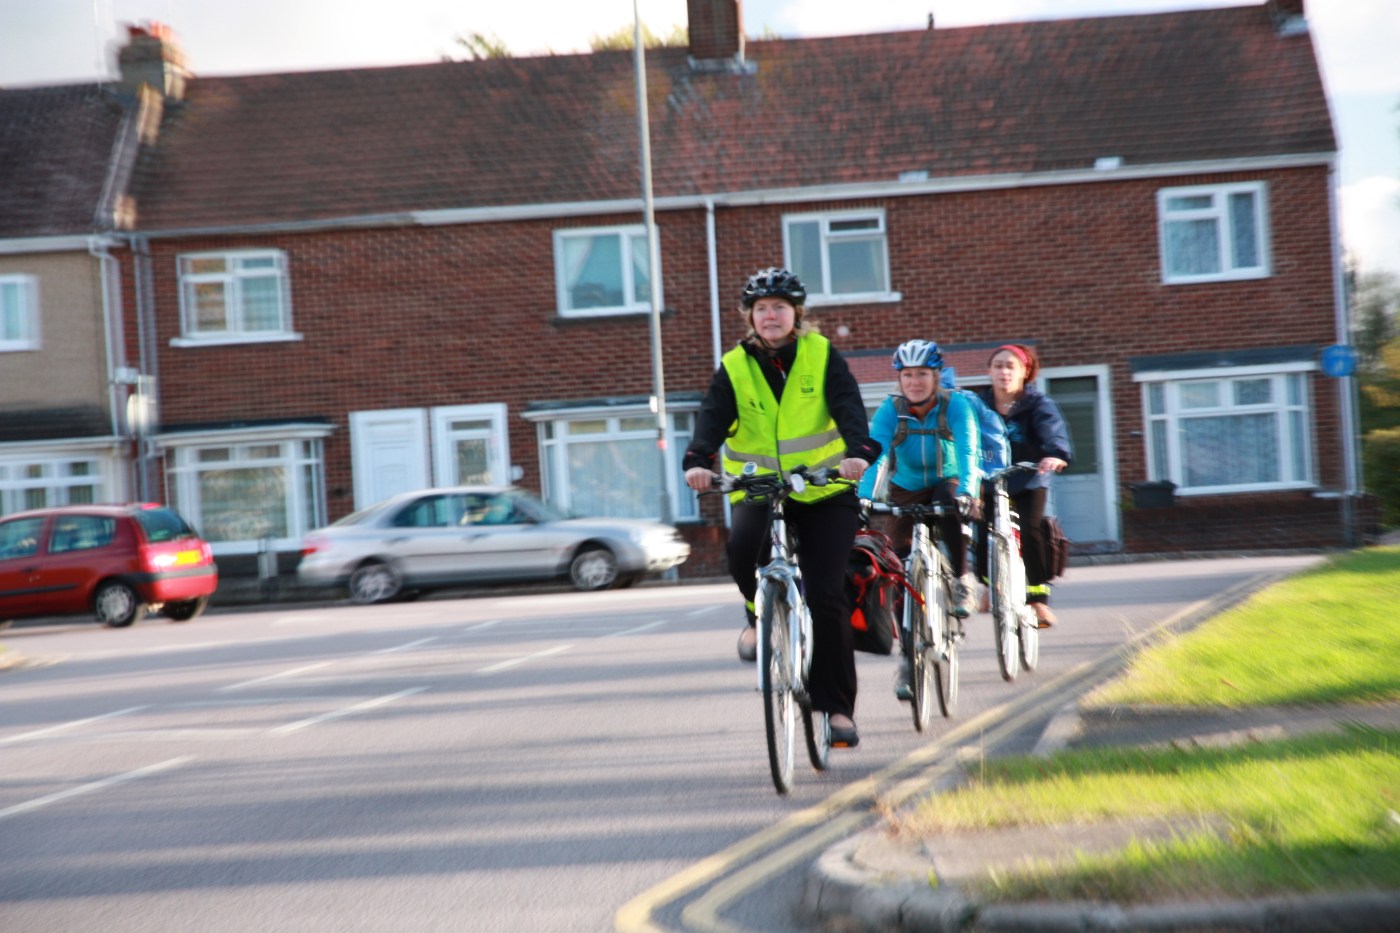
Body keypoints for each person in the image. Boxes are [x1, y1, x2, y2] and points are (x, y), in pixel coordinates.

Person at [683, 268, 879, 749]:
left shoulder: (820, 355)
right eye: (761, 308)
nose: (770, 315)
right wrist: (697, 459)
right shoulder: (734, 365)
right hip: (759, 488)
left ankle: (837, 710)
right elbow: (713, 418)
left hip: (822, 490)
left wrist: (858, 453)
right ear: (750, 316)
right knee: (740, 549)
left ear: (797, 315)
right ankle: (757, 615)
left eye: (780, 307)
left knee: (828, 597)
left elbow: (849, 409)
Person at [863, 340, 981, 698]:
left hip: (950, 481)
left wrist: (969, 491)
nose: (915, 382)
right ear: (900, 377)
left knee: (948, 504)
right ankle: (907, 658)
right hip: (907, 488)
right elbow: (874, 454)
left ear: (936, 376)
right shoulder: (890, 409)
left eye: (923, 375)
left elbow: (968, 449)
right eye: (908, 375)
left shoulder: (955, 405)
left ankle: (961, 579)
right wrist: (864, 497)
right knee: (897, 567)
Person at [974, 344, 1072, 627]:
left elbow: (1053, 432)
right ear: (989, 371)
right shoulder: (978, 405)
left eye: (1010, 366)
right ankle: (990, 585)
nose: (1004, 372)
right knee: (981, 532)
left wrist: (1055, 454)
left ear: (1024, 372)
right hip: (990, 479)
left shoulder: (1037, 404)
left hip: (1029, 477)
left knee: (1031, 531)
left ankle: (1038, 599)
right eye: (998, 366)